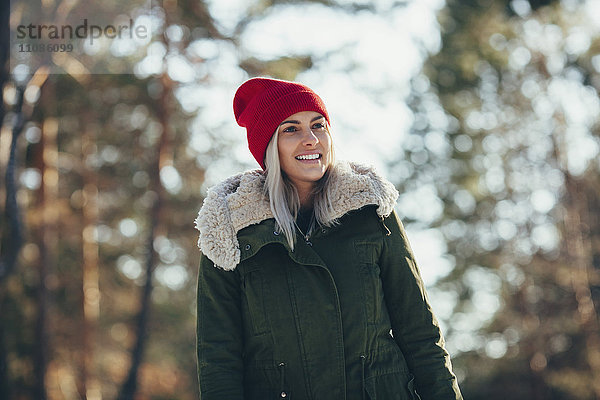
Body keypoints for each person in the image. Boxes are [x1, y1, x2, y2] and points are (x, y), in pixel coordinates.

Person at [195, 77, 463, 400]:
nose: (311, 139)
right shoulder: (230, 230)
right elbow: (218, 360)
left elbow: (420, 333)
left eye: (318, 125)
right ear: (268, 146)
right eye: (291, 129)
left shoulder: (370, 210)